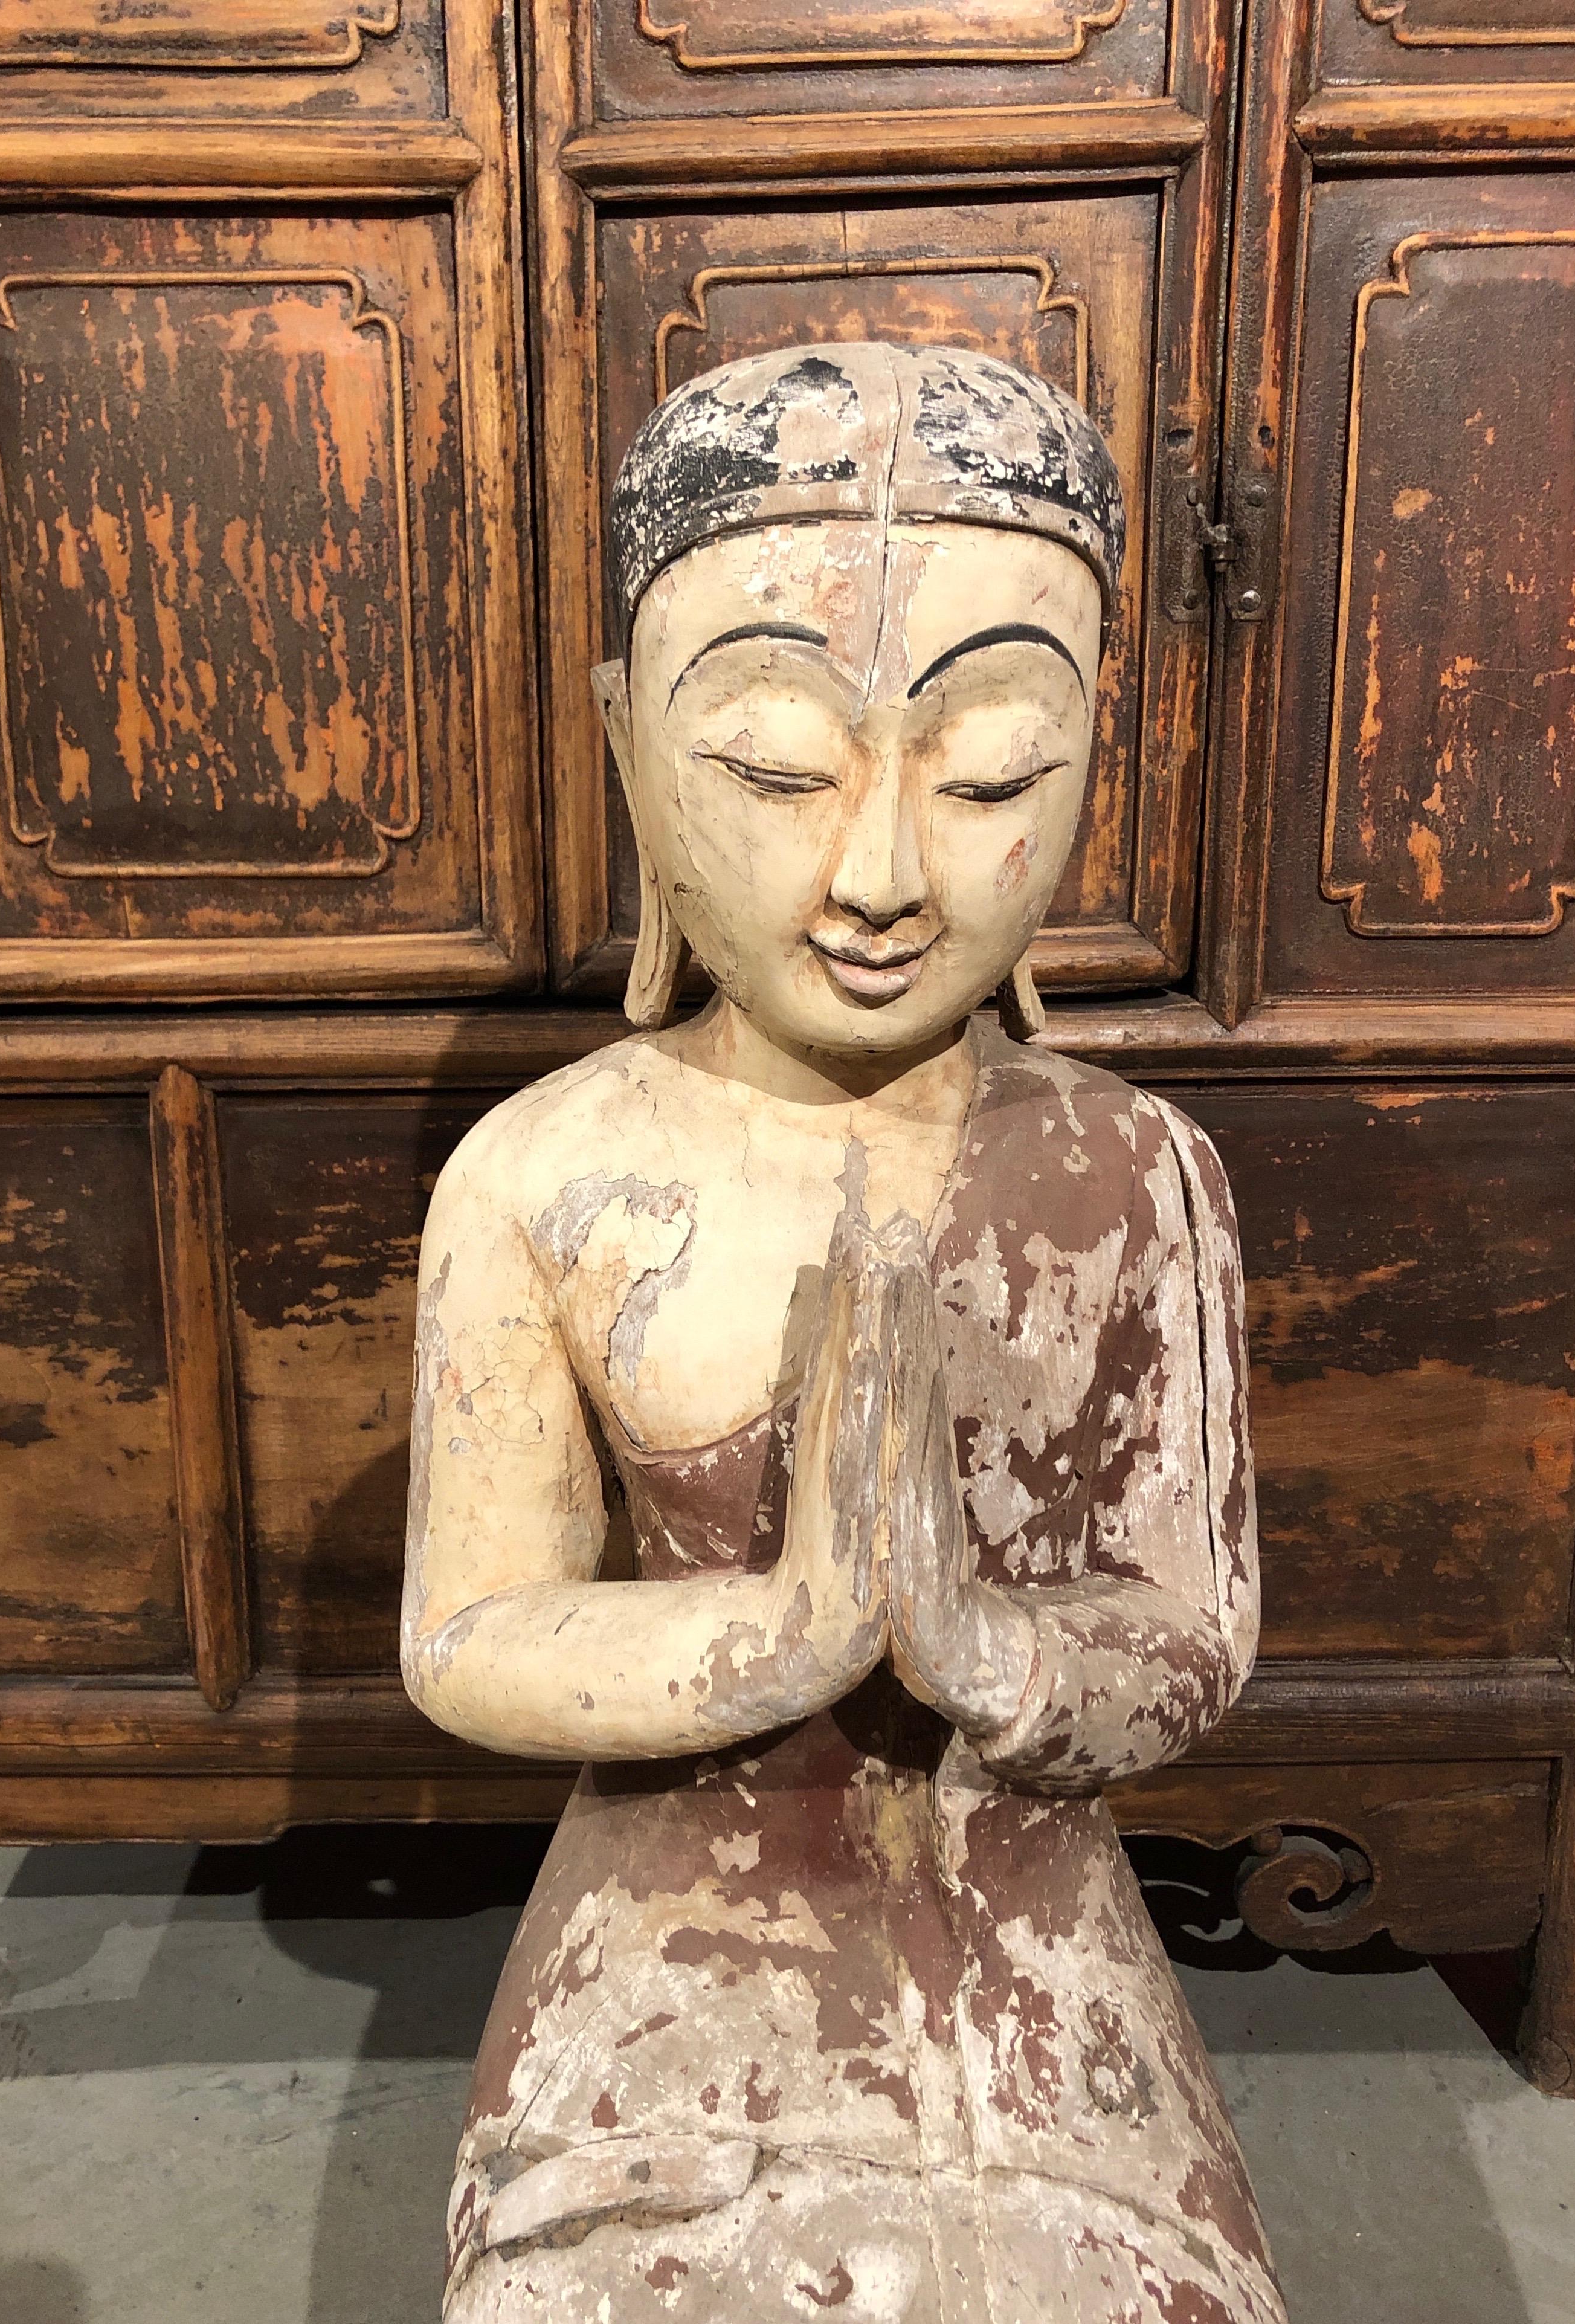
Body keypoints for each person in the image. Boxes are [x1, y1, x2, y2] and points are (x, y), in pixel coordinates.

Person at [402, 342, 1286, 2324]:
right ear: (631, 744)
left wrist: (999, 1659)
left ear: (1092, 755)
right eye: (780, 769)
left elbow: (1195, 1626)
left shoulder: (1138, 1174)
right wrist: (785, 1634)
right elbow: (467, 1635)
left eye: (989, 777)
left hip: (1032, 1909)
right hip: (673, 1943)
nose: (883, 873)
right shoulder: (545, 1177)